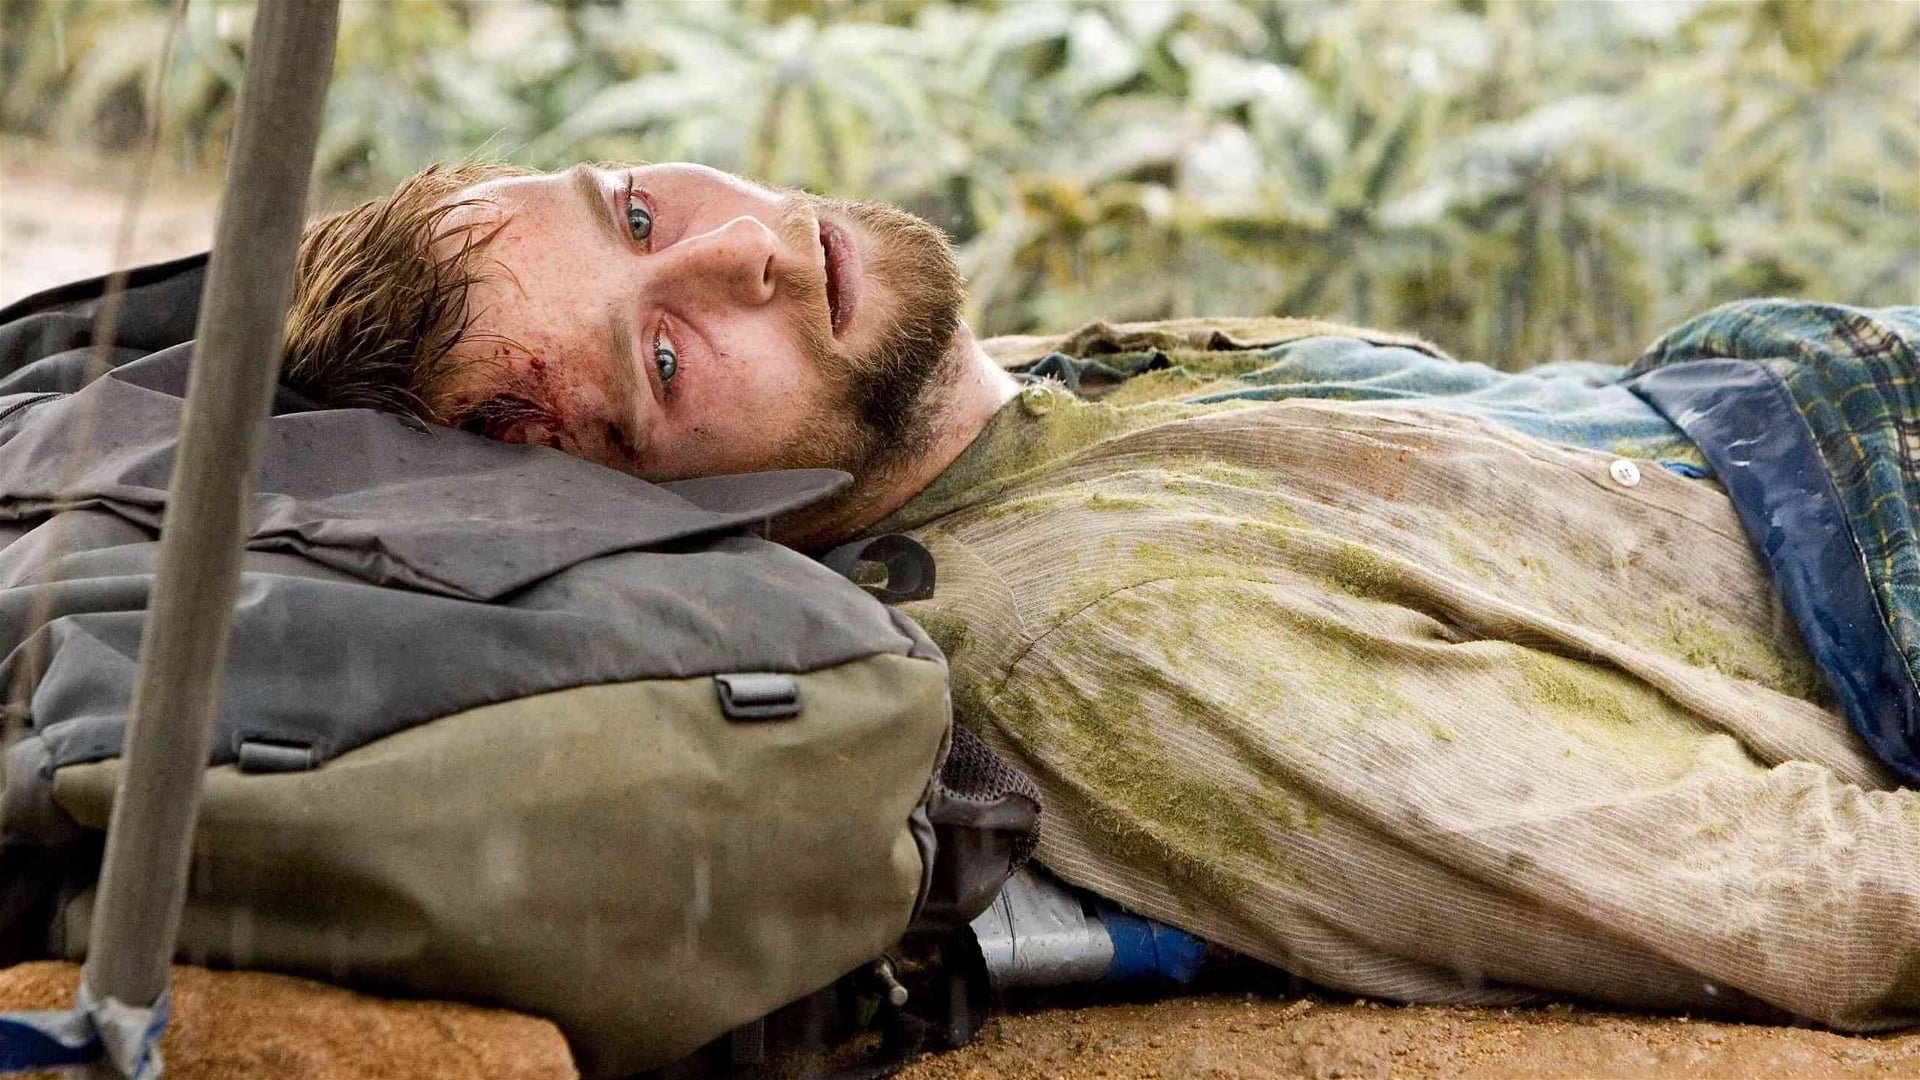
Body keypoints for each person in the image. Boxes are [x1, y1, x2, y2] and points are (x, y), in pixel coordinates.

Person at [274, 160, 1920, 1030]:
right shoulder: (1107, 652)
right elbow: (1808, 901)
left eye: (637, 206)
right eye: (662, 353)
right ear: (649, 514)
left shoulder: (1006, 401)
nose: (742, 254)